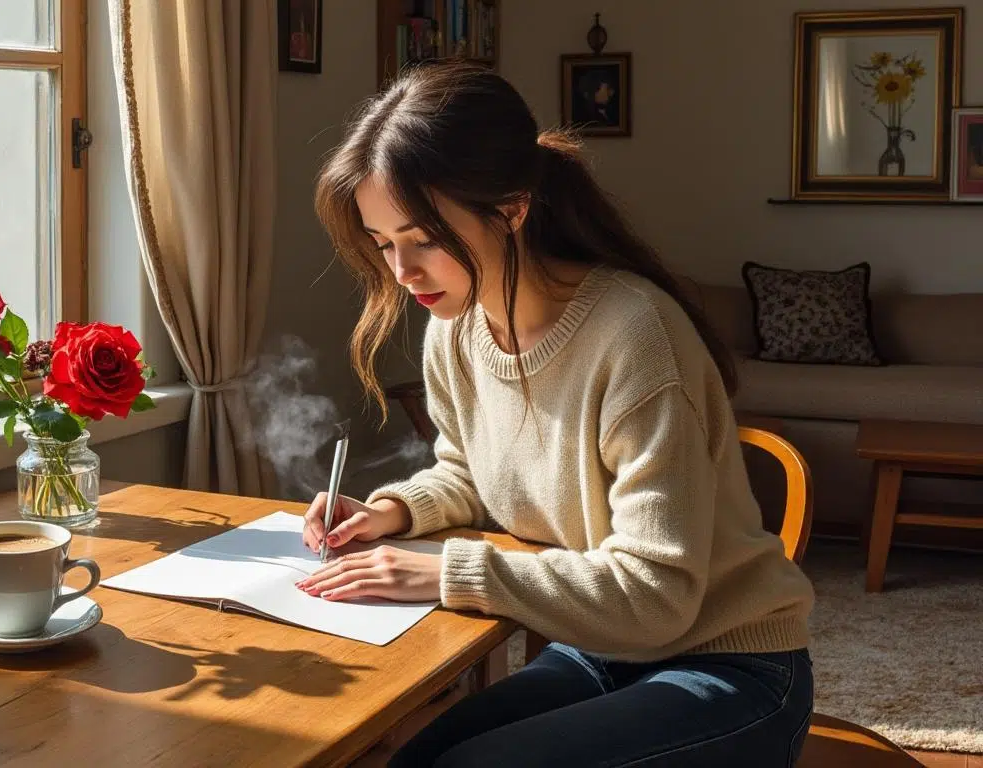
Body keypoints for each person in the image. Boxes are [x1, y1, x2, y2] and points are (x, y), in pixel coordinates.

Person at [295, 60, 816, 767]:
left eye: (424, 239)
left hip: (730, 664)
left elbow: (659, 594)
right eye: (384, 243)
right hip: (603, 649)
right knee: (411, 758)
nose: (402, 272)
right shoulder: (456, 328)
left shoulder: (636, 335)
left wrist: (449, 570)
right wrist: (390, 511)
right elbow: (471, 473)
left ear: (512, 209)